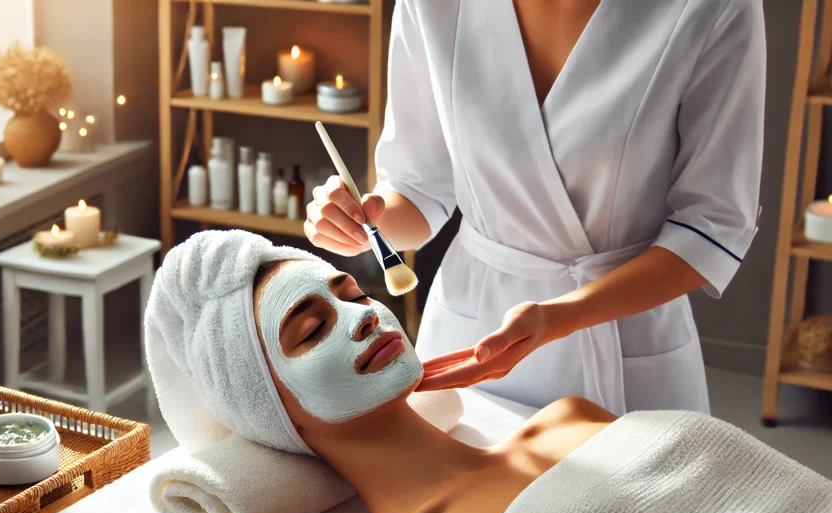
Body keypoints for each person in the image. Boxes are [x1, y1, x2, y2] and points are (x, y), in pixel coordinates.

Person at [146, 231, 831, 513]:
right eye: (311, 328)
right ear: (278, 411)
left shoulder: (570, 417)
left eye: (354, 294)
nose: (362, 318)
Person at [305, 0, 766, 415]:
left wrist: (561, 317)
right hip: (471, 335)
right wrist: (366, 220)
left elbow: (713, 225)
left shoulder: (715, 7)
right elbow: (418, 188)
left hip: (626, 334)